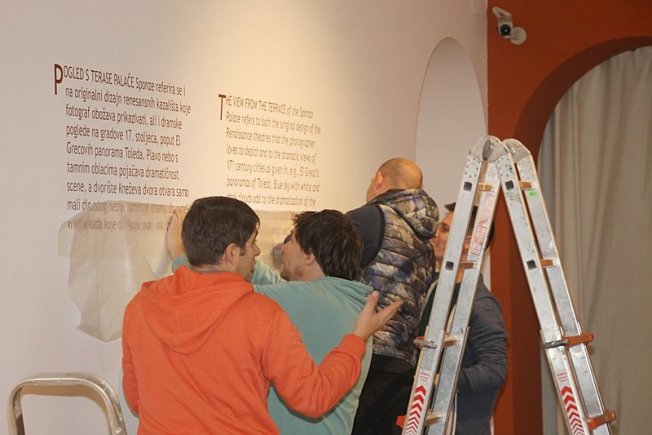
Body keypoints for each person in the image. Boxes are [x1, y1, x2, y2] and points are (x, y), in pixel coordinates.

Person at [122, 196, 402, 435]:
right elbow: (313, 398)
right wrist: (356, 340)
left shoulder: (139, 307)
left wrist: (181, 258)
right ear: (232, 253)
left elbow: (136, 399)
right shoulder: (263, 313)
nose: (259, 251)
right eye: (253, 242)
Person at [348, 158, 439, 435]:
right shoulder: (425, 239)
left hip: (365, 356)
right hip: (401, 364)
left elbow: (318, 260)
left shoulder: (368, 218)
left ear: (379, 178)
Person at [419, 203, 508, 435]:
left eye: (445, 229)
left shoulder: (481, 305)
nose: (435, 236)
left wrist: (439, 380)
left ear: (468, 242)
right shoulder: (435, 289)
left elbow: (495, 370)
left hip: (459, 427)